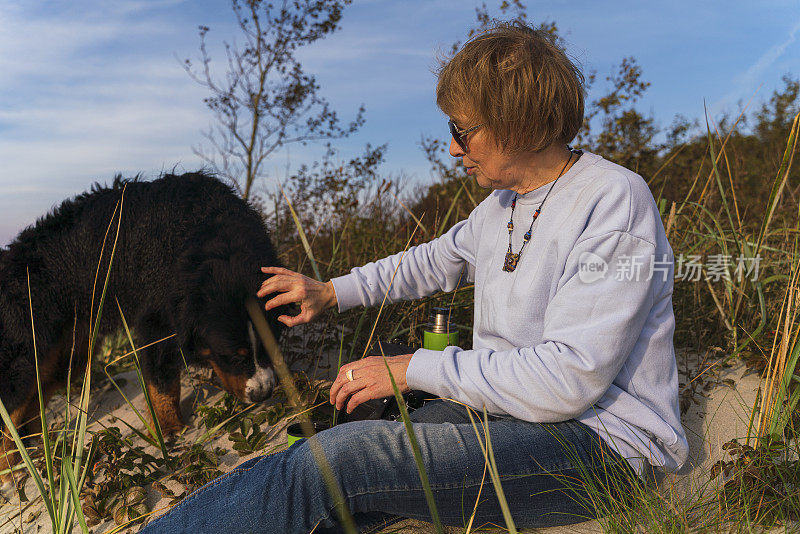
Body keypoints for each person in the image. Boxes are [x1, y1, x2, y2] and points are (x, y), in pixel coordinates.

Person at [141, 22, 688, 533]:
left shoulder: (613, 200)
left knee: (340, 464)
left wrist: (412, 369)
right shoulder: (501, 207)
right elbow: (428, 262)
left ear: (516, 122)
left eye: (462, 129)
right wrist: (331, 292)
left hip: (601, 447)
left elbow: (569, 379)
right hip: (512, 414)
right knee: (338, 448)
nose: (453, 147)